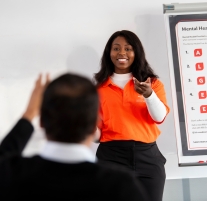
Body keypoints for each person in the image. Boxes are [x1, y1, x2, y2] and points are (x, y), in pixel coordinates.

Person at [0, 73, 147, 200]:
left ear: (42, 122)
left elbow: (4, 155)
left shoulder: (11, 175)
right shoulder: (121, 186)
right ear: (94, 125)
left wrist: (29, 114)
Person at [94, 30, 170, 201]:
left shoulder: (153, 83)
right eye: (116, 48)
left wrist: (149, 95)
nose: (122, 53)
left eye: (128, 49)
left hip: (148, 157)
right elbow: (96, 136)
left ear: (137, 52)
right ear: (109, 53)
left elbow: (159, 118)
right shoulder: (98, 89)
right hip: (111, 157)